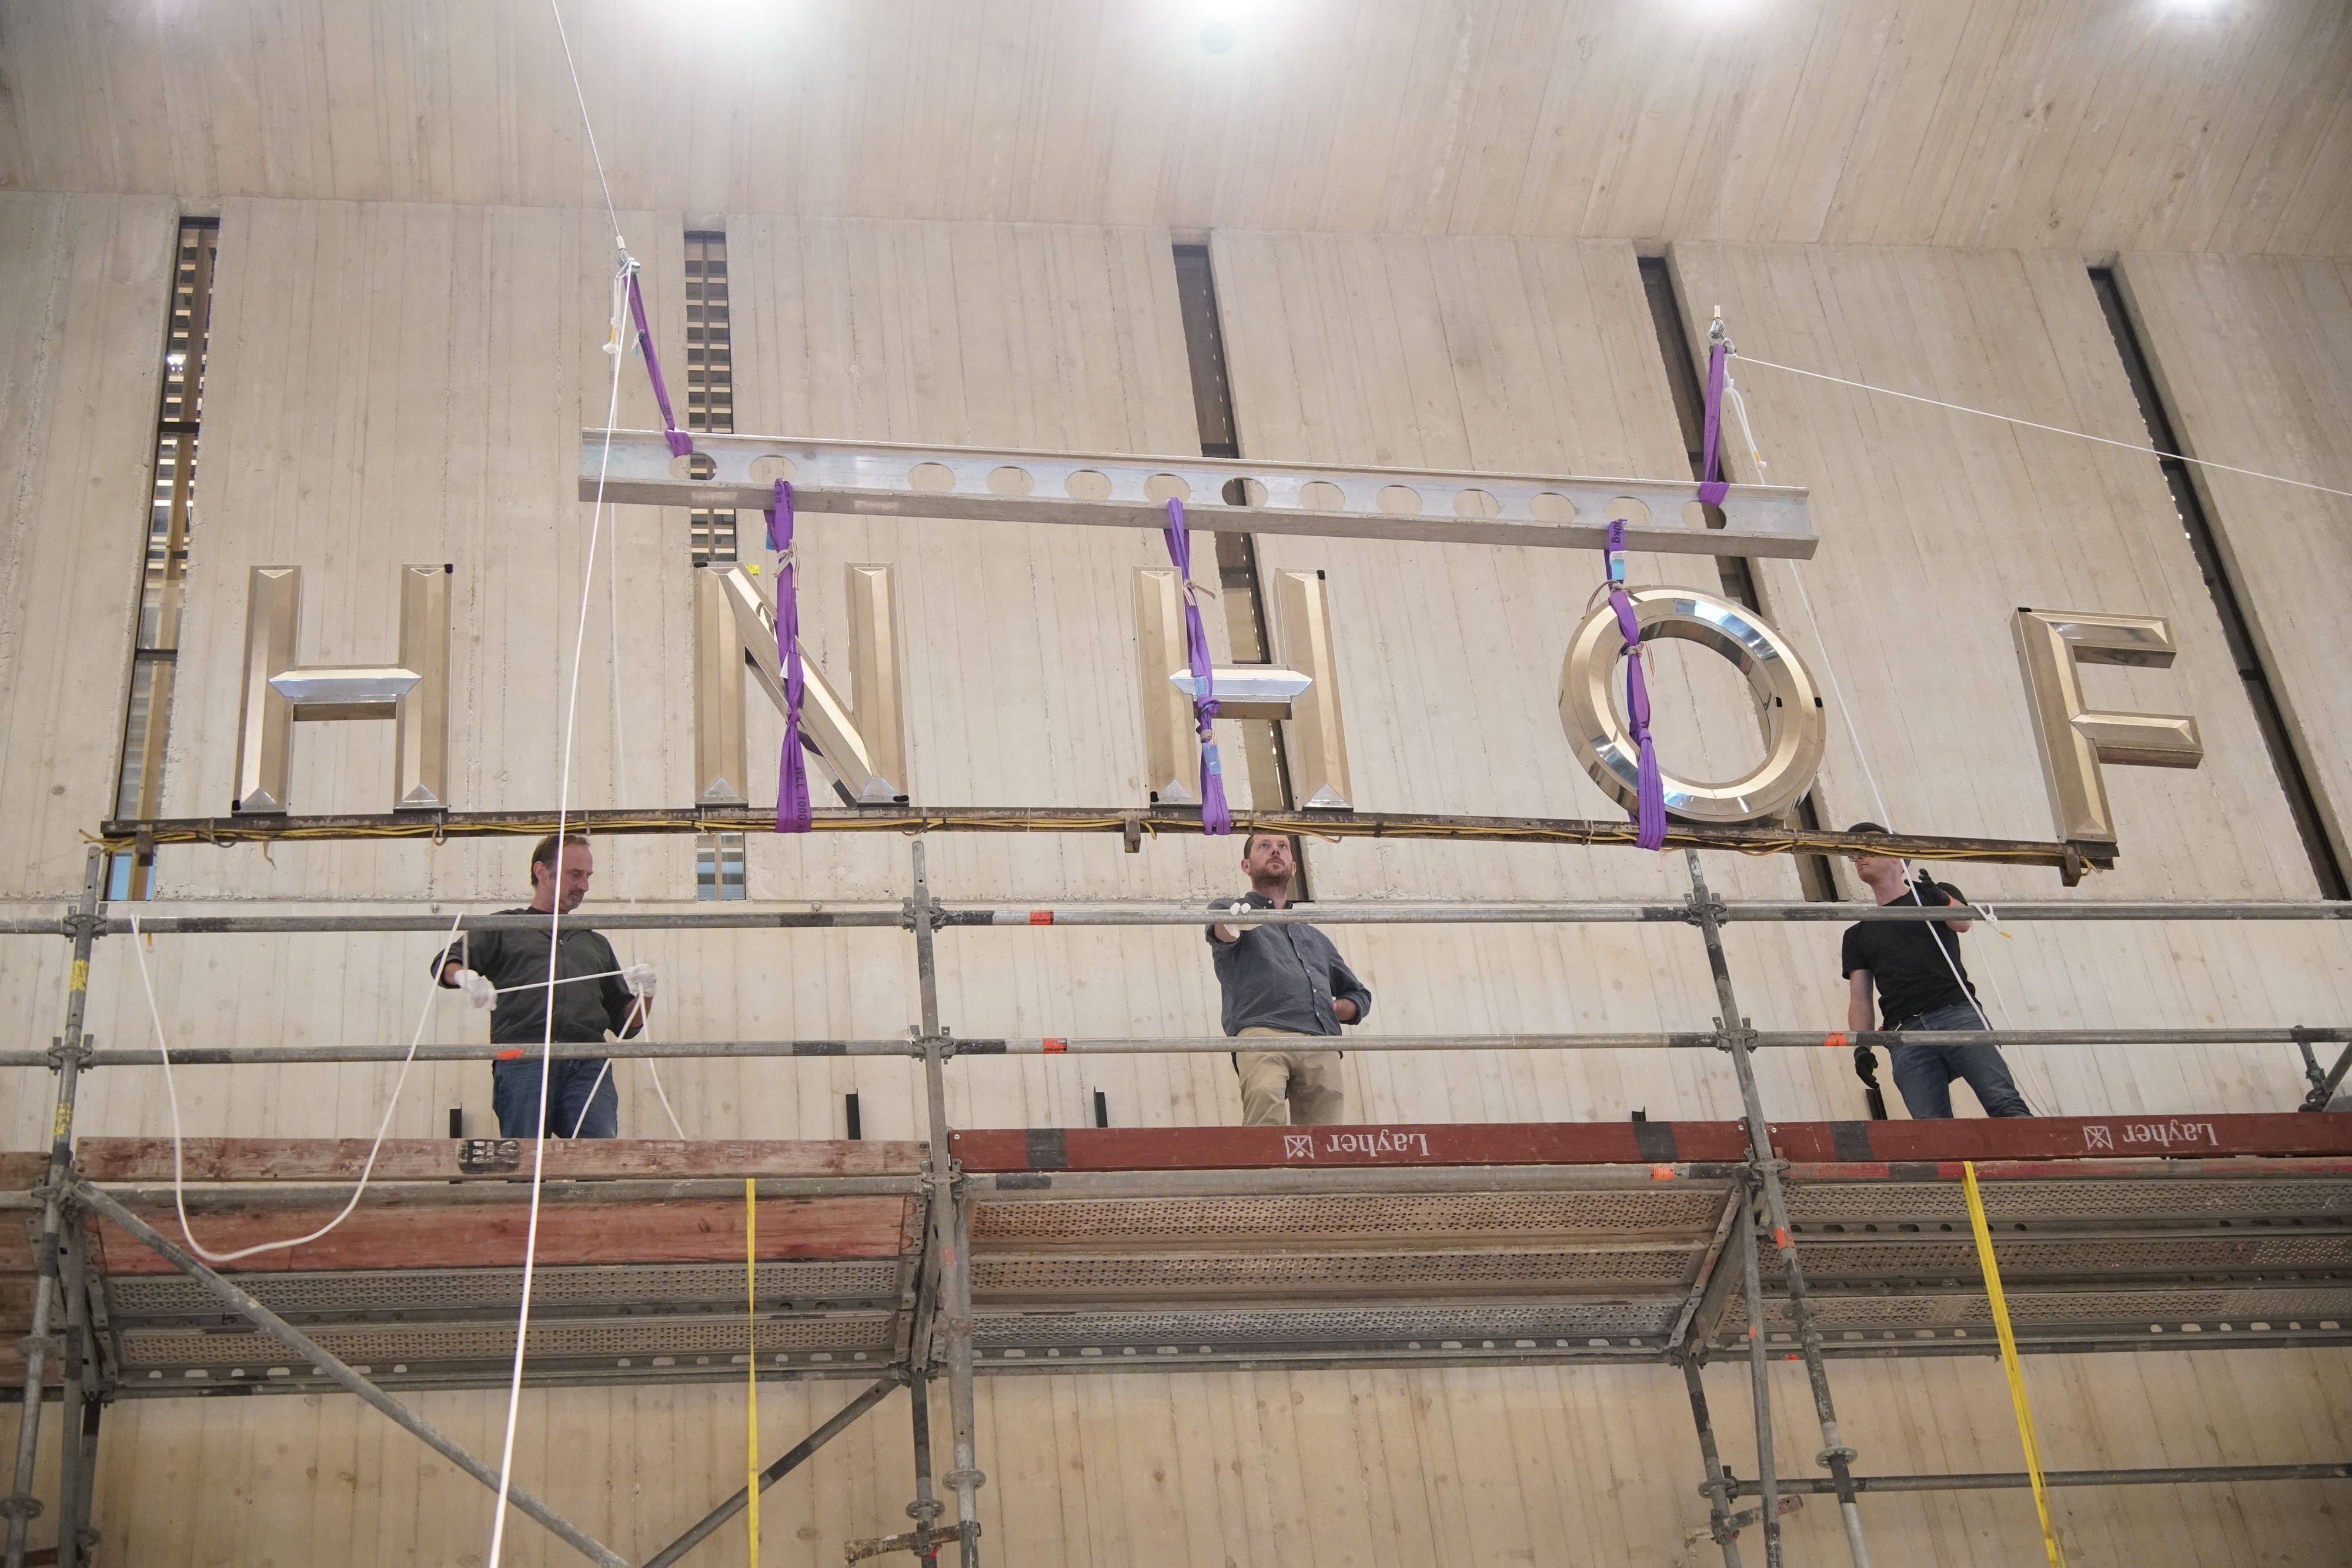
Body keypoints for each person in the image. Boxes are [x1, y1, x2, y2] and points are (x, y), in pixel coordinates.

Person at [434, 833, 654, 1139]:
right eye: (574, 874)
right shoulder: (506, 927)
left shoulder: (595, 944)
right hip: (524, 1057)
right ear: (542, 872)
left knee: (599, 1155)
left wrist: (646, 994)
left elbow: (627, 1025)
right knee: (527, 1157)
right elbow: (446, 961)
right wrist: (463, 977)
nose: (584, 885)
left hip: (588, 1063)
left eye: (588, 876)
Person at [1839, 823, 2029, 1119]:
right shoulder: (1857, 934)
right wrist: (1862, 1046)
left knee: (2003, 1102)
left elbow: (1962, 922)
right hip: (1904, 1032)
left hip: (1956, 1015)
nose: (1860, 856)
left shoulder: (1932, 895)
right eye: (1855, 853)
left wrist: (1942, 899)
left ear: (1896, 856)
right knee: (1931, 1127)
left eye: (1868, 848)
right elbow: (1860, 999)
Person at [1208, 831, 1372, 1126]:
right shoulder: (1231, 911)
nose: (1275, 851)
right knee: (1265, 1111)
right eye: (1264, 846)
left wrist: (1333, 1007)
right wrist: (1237, 922)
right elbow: (1224, 930)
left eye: (1283, 847)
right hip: (1263, 1032)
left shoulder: (1315, 937)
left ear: (1294, 867)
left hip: (1320, 1040)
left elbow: (1359, 995)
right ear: (1246, 865)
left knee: (1323, 1137)